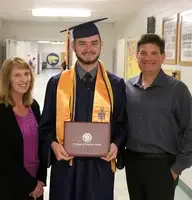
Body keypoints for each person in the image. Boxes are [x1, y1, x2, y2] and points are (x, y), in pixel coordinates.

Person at [39, 18, 127, 200]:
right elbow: (45, 126)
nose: (89, 49)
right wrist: (53, 145)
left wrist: (116, 145)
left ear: (101, 44)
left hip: (100, 167)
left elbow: (122, 125)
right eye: (82, 44)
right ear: (73, 46)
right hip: (66, 166)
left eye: (94, 43)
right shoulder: (56, 83)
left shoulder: (115, 85)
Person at [124, 33, 192, 200]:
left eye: (154, 53)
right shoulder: (127, 87)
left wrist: (177, 168)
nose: (148, 58)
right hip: (132, 163)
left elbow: (190, 129)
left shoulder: (178, 90)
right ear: (136, 56)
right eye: (143, 53)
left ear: (163, 57)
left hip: (163, 165)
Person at [0, 57, 47, 200]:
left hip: (36, 183)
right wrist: (30, 184)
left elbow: (41, 143)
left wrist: (40, 180)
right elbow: (2, 155)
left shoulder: (33, 105)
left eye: (26, 74)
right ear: (7, 79)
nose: (24, 79)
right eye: (17, 75)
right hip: (9, 185)